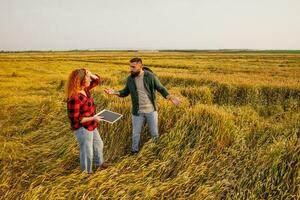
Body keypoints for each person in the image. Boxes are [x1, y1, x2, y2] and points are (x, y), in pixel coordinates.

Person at [104, 58, 180, 154]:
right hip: (137, 112)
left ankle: (156, 150)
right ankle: (134, 151)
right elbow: (125, 92)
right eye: (130, 66)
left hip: (151, 111)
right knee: (136, 133)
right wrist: (114, 92)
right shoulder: (130, 79)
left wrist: (170, 97)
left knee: (154, 133)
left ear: (141, 66)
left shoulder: (150, 76)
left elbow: (161, 88)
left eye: (133, 67)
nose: (131, 69)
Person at [66, 68, 108, 173]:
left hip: (91, 125)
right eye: (88, 78)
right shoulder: (74, 97)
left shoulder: (85, 89)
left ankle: (99, 164)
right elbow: (76, 119)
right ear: (81, 81)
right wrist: (93, 118)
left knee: (99, 144)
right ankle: (86, 173)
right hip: (82, 128)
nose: (90, 80)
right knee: (87, 151)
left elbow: (97, 80)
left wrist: (90, 74)